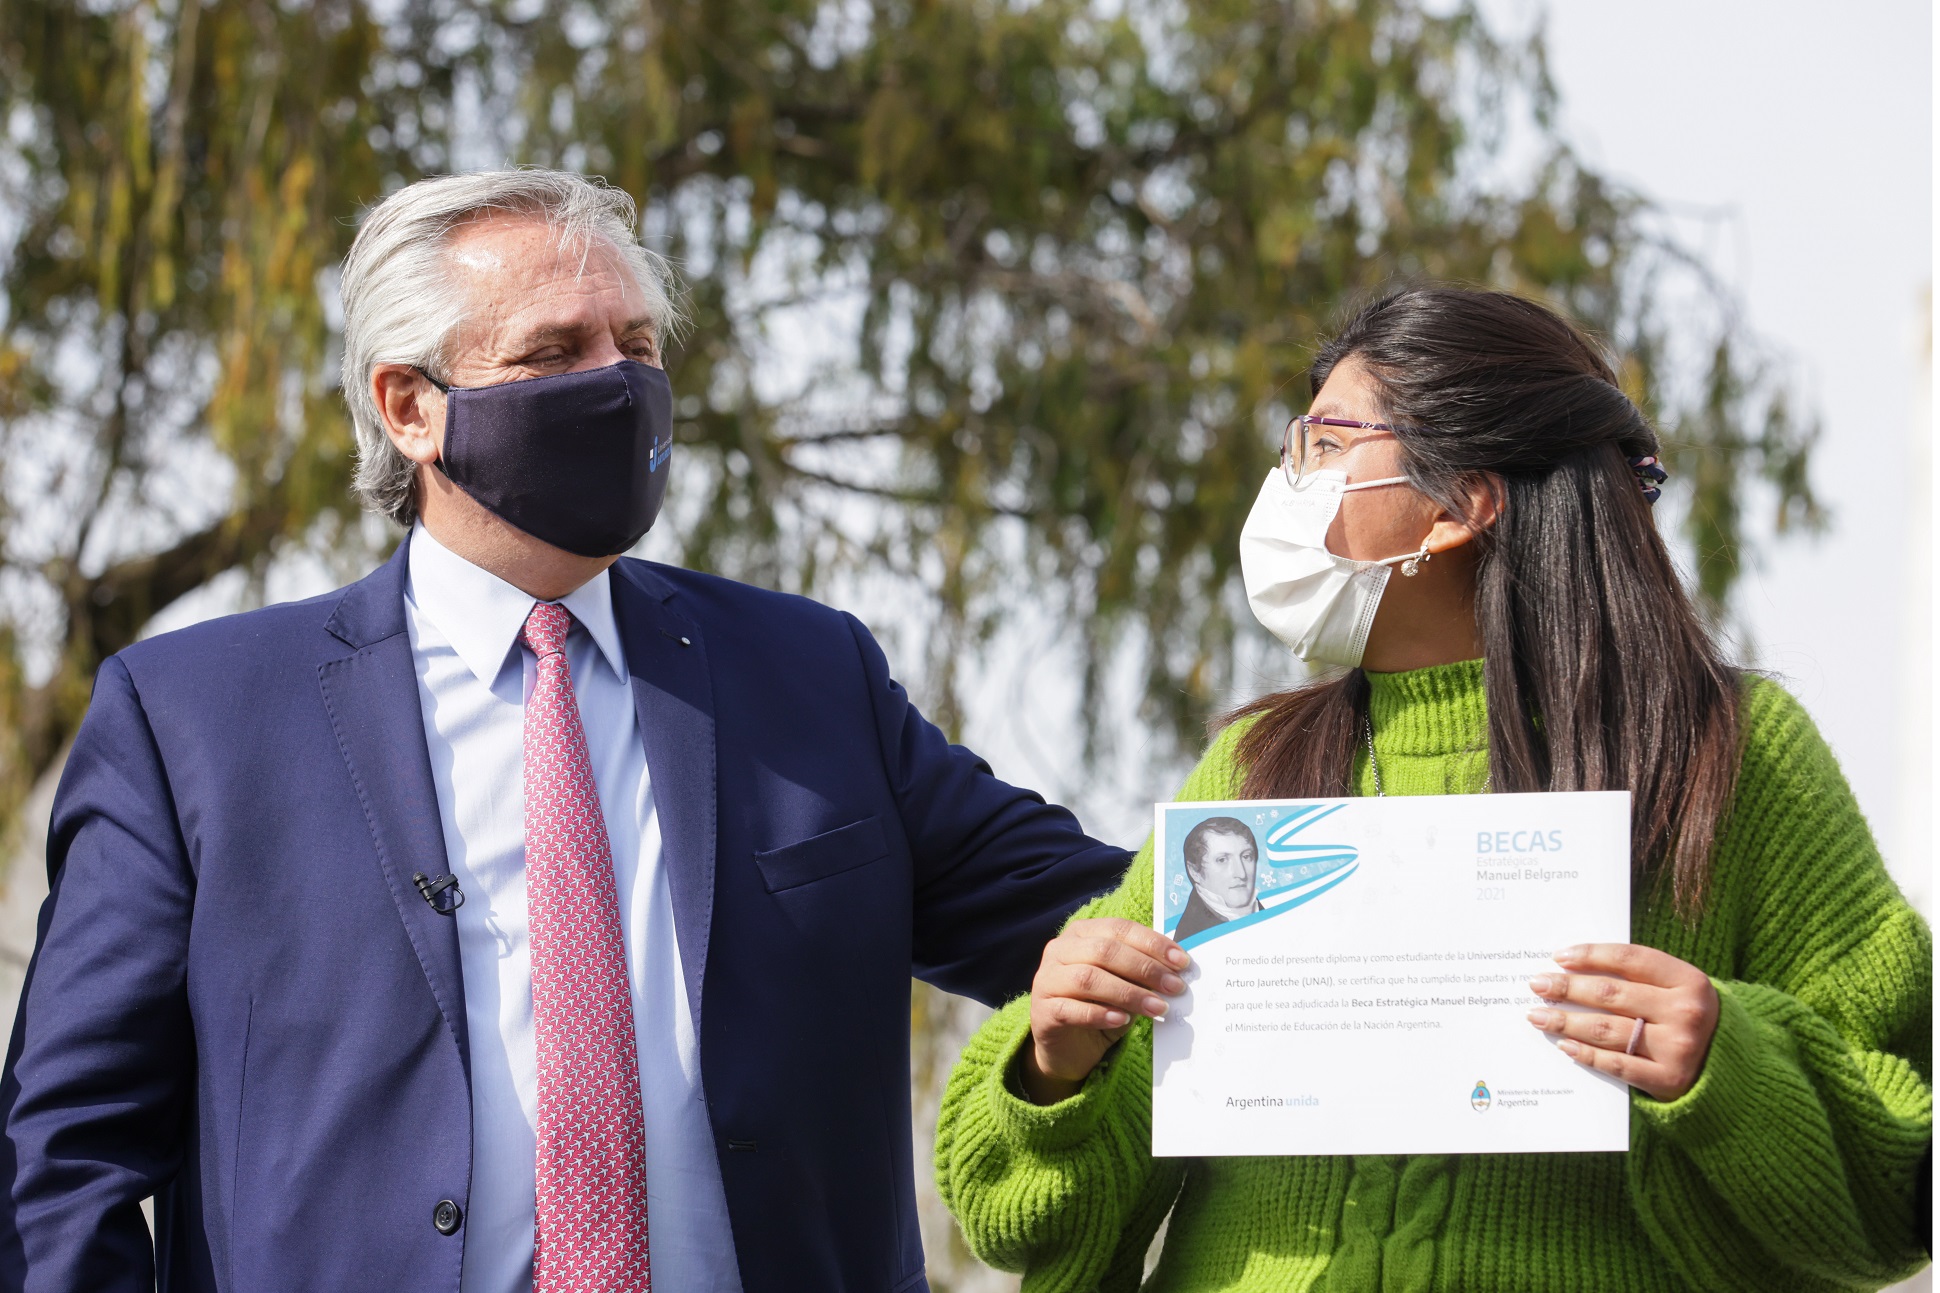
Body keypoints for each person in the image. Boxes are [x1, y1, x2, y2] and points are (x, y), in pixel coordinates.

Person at [0, 170, 1131, 1293]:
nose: (616, 386)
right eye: (552, 354)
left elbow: (1110, 923)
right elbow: (64, 1154)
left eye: (635, 348)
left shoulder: (808, 674)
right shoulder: (192, 716)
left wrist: (1308, 739)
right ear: (411, 408)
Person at [936, 286, 1933, 1292]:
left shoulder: (1732, 755)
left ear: (1459, 503)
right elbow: (1020, 1217)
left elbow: (1901, 1176)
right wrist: (1054, 1063)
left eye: (1324, 447)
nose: (1286, 482)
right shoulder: (1249, 775)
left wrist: (1727, 1064)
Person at [1172, 816, 1260, 941]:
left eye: (1246, 856)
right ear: (1194, 871)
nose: (1241, 873)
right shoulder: (1190, 937)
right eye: (1222, 860)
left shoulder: (1280, 922)